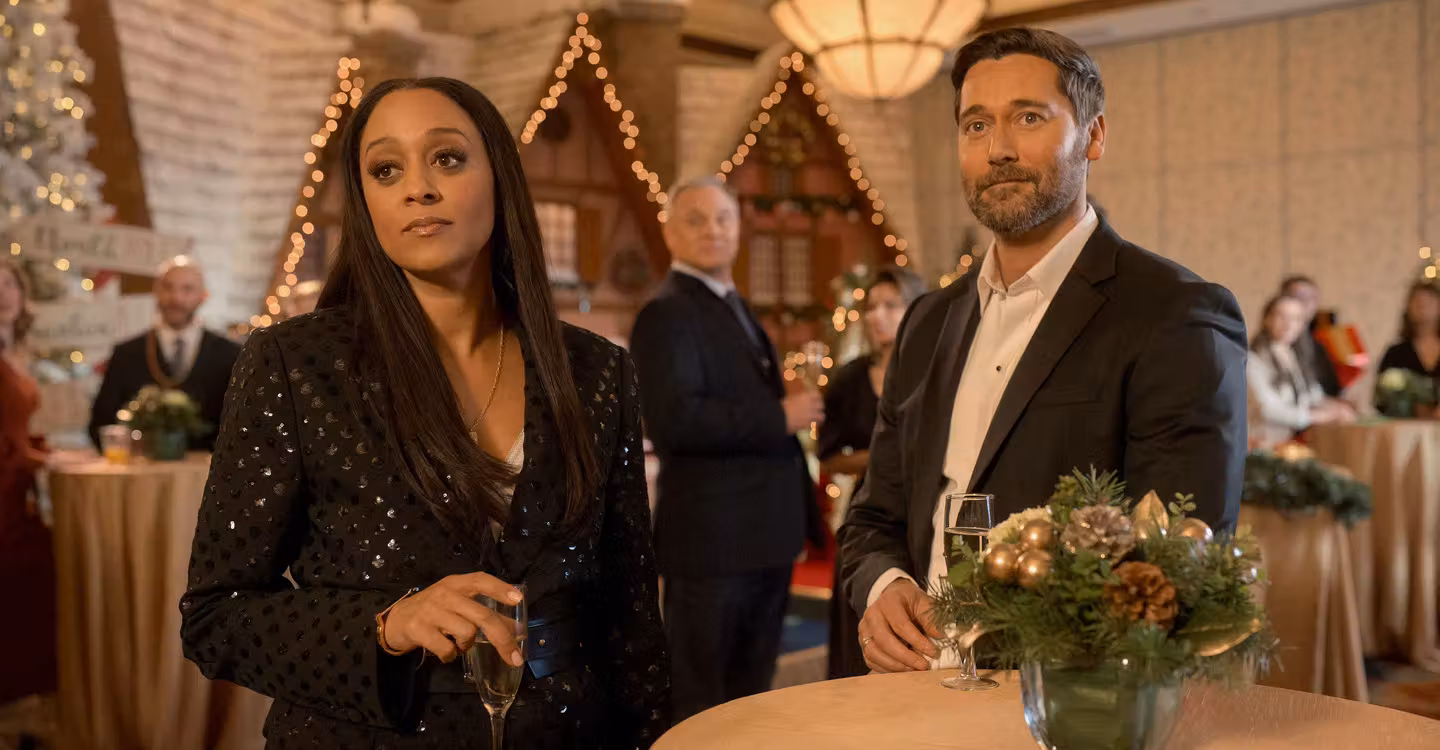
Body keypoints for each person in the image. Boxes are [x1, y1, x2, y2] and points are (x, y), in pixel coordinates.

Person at [180, 78, 669, 748]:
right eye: (387, 170)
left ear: (498, 177)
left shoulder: (597, 370)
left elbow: (633, 616)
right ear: (366, 203)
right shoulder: (294, 365)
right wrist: (388, 625)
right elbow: (216, 616)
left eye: (447, 158)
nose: (418, 188)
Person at [839, 27, 1249, 675]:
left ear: (1094, 136)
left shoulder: (1175, 314)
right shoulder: (927, 322)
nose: (998, 148)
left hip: (1066, 696)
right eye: (976, 125)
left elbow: (1177, 559)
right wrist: (883, 585)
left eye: (1028, 118)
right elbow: (872, 517)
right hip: (912, 684)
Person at [629, 176, 824, 720]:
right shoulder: (666, 312)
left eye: (723, 218)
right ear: (670, 233)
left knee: (751, 698)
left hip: (762, 537)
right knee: (702, 702)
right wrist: (778, 415)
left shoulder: (732, 304)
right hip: (713, 543)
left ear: (738, 229)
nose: (712, 229)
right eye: (695, 219)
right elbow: (674, 422)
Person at [818, 265, 925, 679]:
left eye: (890, 305)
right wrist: (887, 456)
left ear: (914, 308)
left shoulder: (933, 370)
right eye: (872, 307)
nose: (878, 315)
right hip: (874, 504)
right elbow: (829, 456)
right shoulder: (850, 378)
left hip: (924, 507)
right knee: (861, 627)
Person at [88, 259, 241, 452]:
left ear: (203, 295)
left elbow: (239, 424)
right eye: (168, 287)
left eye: (187, 289)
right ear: (156, 292)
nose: (176, 298)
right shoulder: (126, 354)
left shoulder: (230, 354)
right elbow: (102, 424)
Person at [0, 259, 57, 711]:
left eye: (8, 284)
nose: (3, 294)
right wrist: (39, 459)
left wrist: (40, 448)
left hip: (15, 489)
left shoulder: (11, 349)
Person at [1247, 295, 1355, 448]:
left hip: (1296, 443)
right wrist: (1317, 416)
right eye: (1281, 316)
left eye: (1296, 319)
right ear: (1267, 319)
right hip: (1265, 443)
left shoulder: (1297, 356)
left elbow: (1313, 396)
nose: (1288, 324)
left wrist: (1337, 408)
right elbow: (1268, 410)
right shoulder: (1252, 359)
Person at [1279, 275, 1344, 398]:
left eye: (1312, 298)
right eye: (1299, 297)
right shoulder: (1278, 342)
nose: (1306, 303)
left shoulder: (1319, 342)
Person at [1377, 281, 1440, 380]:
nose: (1423, 306)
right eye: (1417, 301)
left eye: (1429, 301)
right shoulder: (1396, 354)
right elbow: (1382, 385)